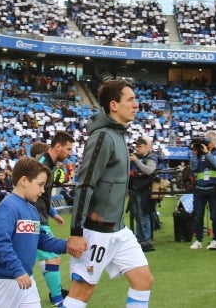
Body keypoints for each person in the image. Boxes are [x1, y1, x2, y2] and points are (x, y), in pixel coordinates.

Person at [65, 79, 154, 308]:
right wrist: (76, 232)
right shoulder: (102, 136)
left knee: (143, 281)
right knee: (81, 292)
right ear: (114, 105)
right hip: (96, 232)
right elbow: (85, 185)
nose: (136, 105)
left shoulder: (119, 135)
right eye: (131, 99)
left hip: (118, 229)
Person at [0, 157, 85, 308]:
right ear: (24, 180)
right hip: (2, 280)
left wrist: (67, 245)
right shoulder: (7, 208)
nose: (43, 191)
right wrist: (17, 271)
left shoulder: (32, 209)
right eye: (40, 184)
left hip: (25, 279)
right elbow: (0, 244)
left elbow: (41, 240)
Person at [34, 131, 75, 307]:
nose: (70, 153)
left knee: (27, 257)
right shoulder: (42, 164)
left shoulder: (48, 165)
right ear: (57, 146)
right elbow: (30, 191)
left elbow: (43, 194)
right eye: (68, 149)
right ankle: (58, 301)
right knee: (52, 257)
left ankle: (56, 296)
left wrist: (52, 212)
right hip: (35, 219)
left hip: (39, 216)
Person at [188, 131, 216, 250]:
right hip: (200, 188)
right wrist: (194, 154)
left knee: (215, 216)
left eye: (209, 139)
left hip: (213, 188)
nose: (207, 141)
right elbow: (193, 168)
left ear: (214, 141)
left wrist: (207, 152)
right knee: (198, 216)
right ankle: (198, 240)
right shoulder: (198, 155)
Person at [128, 137, 157, 252]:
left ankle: (146, 240)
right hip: (135, 189)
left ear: (146, 147)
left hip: (145, 190)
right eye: (137, 146)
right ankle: (140, 239)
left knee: (143, 215)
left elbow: (149, 170)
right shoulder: (136, 157)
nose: (137, 149)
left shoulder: (151, 157)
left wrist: (136, 161)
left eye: (140, 146)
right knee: (137, 215)